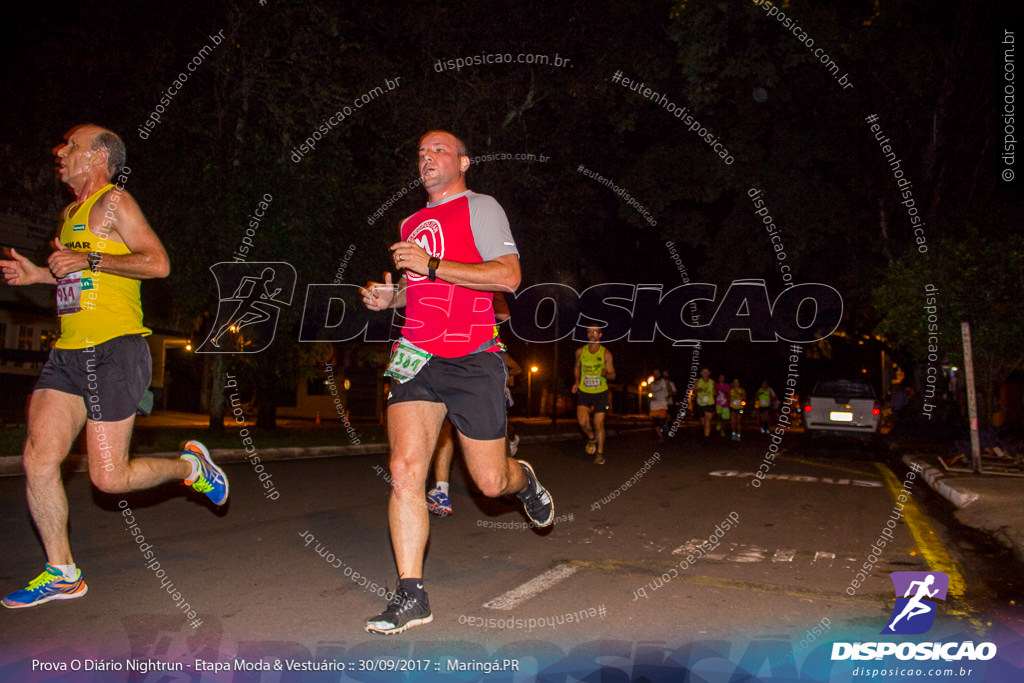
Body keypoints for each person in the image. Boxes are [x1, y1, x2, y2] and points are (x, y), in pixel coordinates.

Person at [0, 124, 227, 609]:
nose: (60, 152)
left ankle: (192, 467)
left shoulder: (114, 203)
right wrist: (39, 274)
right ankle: (62, 571)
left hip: (115, 350)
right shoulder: (70, 215)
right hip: (68, 352)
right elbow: (75, 277)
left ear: (100, 156)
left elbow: (158, 263)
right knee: (39, 457)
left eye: (72, 146)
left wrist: (91, 259)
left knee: (109, 478)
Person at [360, 130, 553, 635]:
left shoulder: (481, 207)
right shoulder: (410, 222)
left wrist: (435, 264)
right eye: (420, 152)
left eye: (438, 151)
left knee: (491, 483)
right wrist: (391, 298)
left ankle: (524, 479)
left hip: (472, 354)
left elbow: (508, 277)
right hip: (417, 353)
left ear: (463, 162)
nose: (426, 158)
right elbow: (418, 287)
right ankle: (411, 595)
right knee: (405, 469)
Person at [425, 293, 520, 518]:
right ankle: (441, 491)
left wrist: (476, 299)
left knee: (495, 432)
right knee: (446, 430)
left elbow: (504, 313)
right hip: (447, 359)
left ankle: (508, 471)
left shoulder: (479, 275)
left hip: (479, 359)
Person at [572, 325, 616, 464]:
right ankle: (592, 438)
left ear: (600, 335)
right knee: (582, 422)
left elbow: (613, 375)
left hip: (600, 392)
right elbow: (577, 367)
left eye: (595, 332)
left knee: (598, 424)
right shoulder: (580, 352)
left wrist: (607, 374)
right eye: (589, 332)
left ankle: (600, 453)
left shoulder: (606, 354)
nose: (592, 334)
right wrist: (576, 382)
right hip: (584, 391)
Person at [647, 369, 676, 442]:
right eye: (654, 373)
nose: (656, 374)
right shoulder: (651, 384)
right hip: (654, 405)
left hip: (663, 403)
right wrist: (651, 397)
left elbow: (671, 392)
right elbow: (648, 393)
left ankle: (665, 425)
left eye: (657, 373)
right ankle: (661, 437)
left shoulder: (665, 382)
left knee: (662, 418)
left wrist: (668, 397)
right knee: (656, 422)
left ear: (660, 374)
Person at [694, 367, 715, 437]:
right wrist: (697, 390)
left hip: (710, 403)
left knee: (707, 421)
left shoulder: (712, 382)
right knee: (703, 422)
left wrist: (715, 392)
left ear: (709, 373)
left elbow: (715, 392)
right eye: (704, 372)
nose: (705, 374)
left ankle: (707, 438)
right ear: (701, 373)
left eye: (707, 372)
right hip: (700, 404)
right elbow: (694, 392)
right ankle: (707, 431)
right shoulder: (697, 382)